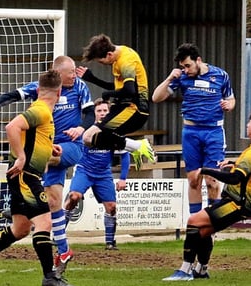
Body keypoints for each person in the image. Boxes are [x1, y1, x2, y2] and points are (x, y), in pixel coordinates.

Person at [0, 69, 78, 286]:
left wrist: (49, 149)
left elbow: (31, 136)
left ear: (38, 90)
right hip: (26, 176)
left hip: (23, 176)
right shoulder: (42, 111)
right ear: (58, 94)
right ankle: (49, 277)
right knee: (44, 223)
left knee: (20, 228)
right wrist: (22, 156)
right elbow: (12, 126)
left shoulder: (41, 111)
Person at [0, 56, 95, 270]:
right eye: (71, 72)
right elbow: (13, 95)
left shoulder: (80, 86)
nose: (75, 75)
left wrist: (81, 128)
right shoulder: (41, 88)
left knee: (34, 160)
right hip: (49, 144)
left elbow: (90, 113)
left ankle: (23, 202)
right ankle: (63, 251)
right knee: (53, 203)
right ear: (59, 75)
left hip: (70, 146)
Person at [162, 111, 251, 281]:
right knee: (204, 230)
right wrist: (233, 163)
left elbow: (235, 178)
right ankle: (201, 269)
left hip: (237, 203)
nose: (246, 126)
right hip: (241, 204)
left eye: (249, 123)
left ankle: (185, 270)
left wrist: (206, 170)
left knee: (194, 221)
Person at [152, 43, 235, 214]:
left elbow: (232, 100)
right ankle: (195, 225)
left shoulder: (220, 75)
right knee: (193, 180)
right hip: (191, 132)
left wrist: (228, 105)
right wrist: (169, 78)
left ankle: (212, 225)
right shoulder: (181, 77)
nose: (186, 70)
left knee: (212, 180)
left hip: (213, 132)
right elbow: (156, 97)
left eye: (188, 65)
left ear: (198, 60)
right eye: (182, 66)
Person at [63, 98, 130, 262]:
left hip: (103, 174)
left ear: (109, 113)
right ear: (94, 114)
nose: (102, 114)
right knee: (73, 197)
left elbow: (125, 154)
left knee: (112, 207)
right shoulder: (86, 130)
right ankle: (57, 234)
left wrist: (123, 178)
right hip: (84, 171)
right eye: (99, 111)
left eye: (105, 111)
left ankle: (110, 243)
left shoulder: (115, 131)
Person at [75, 34, 156, 170]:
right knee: (90, 139)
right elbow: (118, 88)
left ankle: (138, 146)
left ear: (109, 54)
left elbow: (129, 91)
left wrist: (108, 95)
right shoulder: (118, 57)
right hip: (122, 107)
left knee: (88, 137)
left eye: (101, 61)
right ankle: (135, 147)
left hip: (134, 109)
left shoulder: (126, 61)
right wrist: (92, 79)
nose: (102, 64)